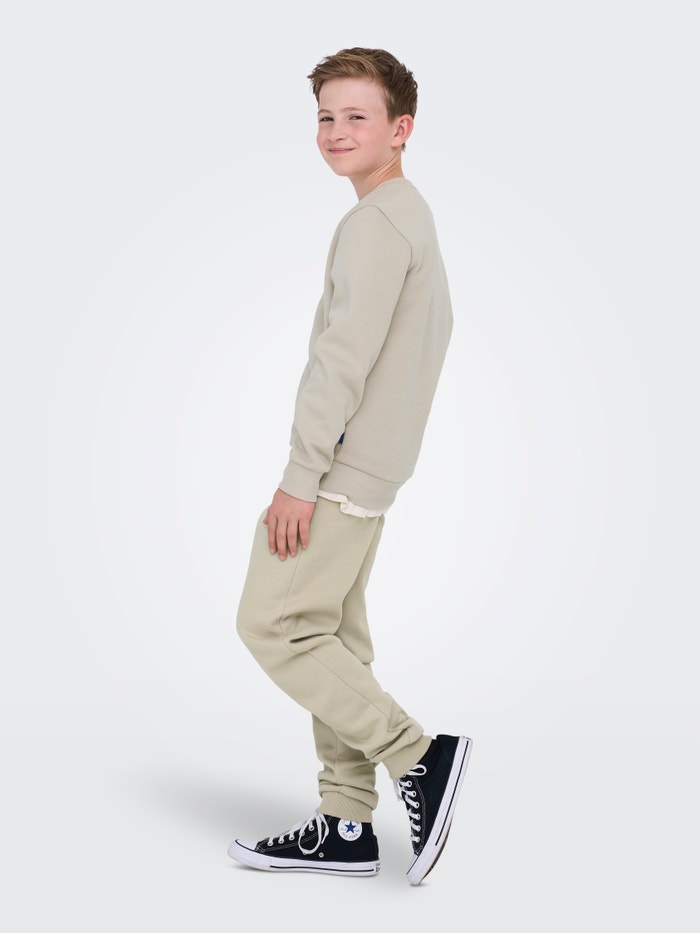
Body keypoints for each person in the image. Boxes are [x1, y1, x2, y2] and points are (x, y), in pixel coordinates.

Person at [228, 47, 472, 885]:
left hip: (339, 469)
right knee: (331, 639)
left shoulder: (377, 225)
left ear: (401, 129)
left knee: (273, 624)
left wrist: (301, 477)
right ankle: (345, 823)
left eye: (356, 116)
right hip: (372, 469)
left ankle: (420, 756)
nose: (335, 131)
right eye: (326, 116)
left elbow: (342, 360)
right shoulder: (407, 214)